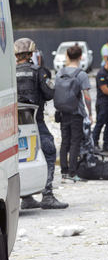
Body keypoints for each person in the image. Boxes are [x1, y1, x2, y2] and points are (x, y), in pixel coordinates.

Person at [15, 38, 68, 209]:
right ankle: (47, 195)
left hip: (14, 123)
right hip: (34, 120)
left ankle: (27, 198)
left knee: (21, 157)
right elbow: (49, 93)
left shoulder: (9, 72)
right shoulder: (39, 71)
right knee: (49, 151)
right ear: (31, 53)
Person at [56, 45, 93, 182]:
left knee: (64, 141)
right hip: (76, 113)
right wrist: (90, 113)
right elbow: (87, 96)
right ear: (80, 57)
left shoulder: (60, 72)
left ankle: (64, 171)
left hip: (63, 112)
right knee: (75, 142)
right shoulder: (81, 74)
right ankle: (72, 172)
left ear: (67, 56)